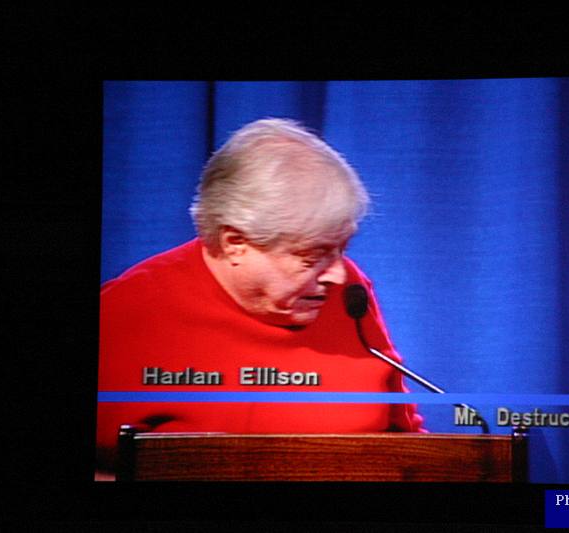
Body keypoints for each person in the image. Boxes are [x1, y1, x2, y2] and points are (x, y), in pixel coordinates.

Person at [97, 118, 424, 473]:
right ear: (235, 243)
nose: (338, 274)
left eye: (341, 250)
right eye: (311, 257)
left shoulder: (348, 293)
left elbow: (406, 438)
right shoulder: (127, 311)